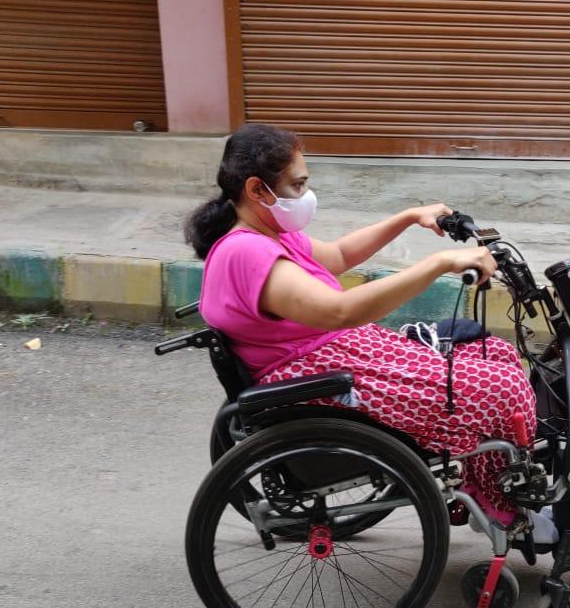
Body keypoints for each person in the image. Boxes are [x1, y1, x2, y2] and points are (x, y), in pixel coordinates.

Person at [185, 124, 538, 529]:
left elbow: (337, 254)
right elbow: (341, 311)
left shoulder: (268, 233)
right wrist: (438, 264)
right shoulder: (247, 251)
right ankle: (499, 502)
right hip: (320, 373)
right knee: (504, 389)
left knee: (495, 353)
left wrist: (408, 217)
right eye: (298, 185)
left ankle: (482, 481)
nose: (306, 194)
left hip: (340, 353)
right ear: (257, 190)